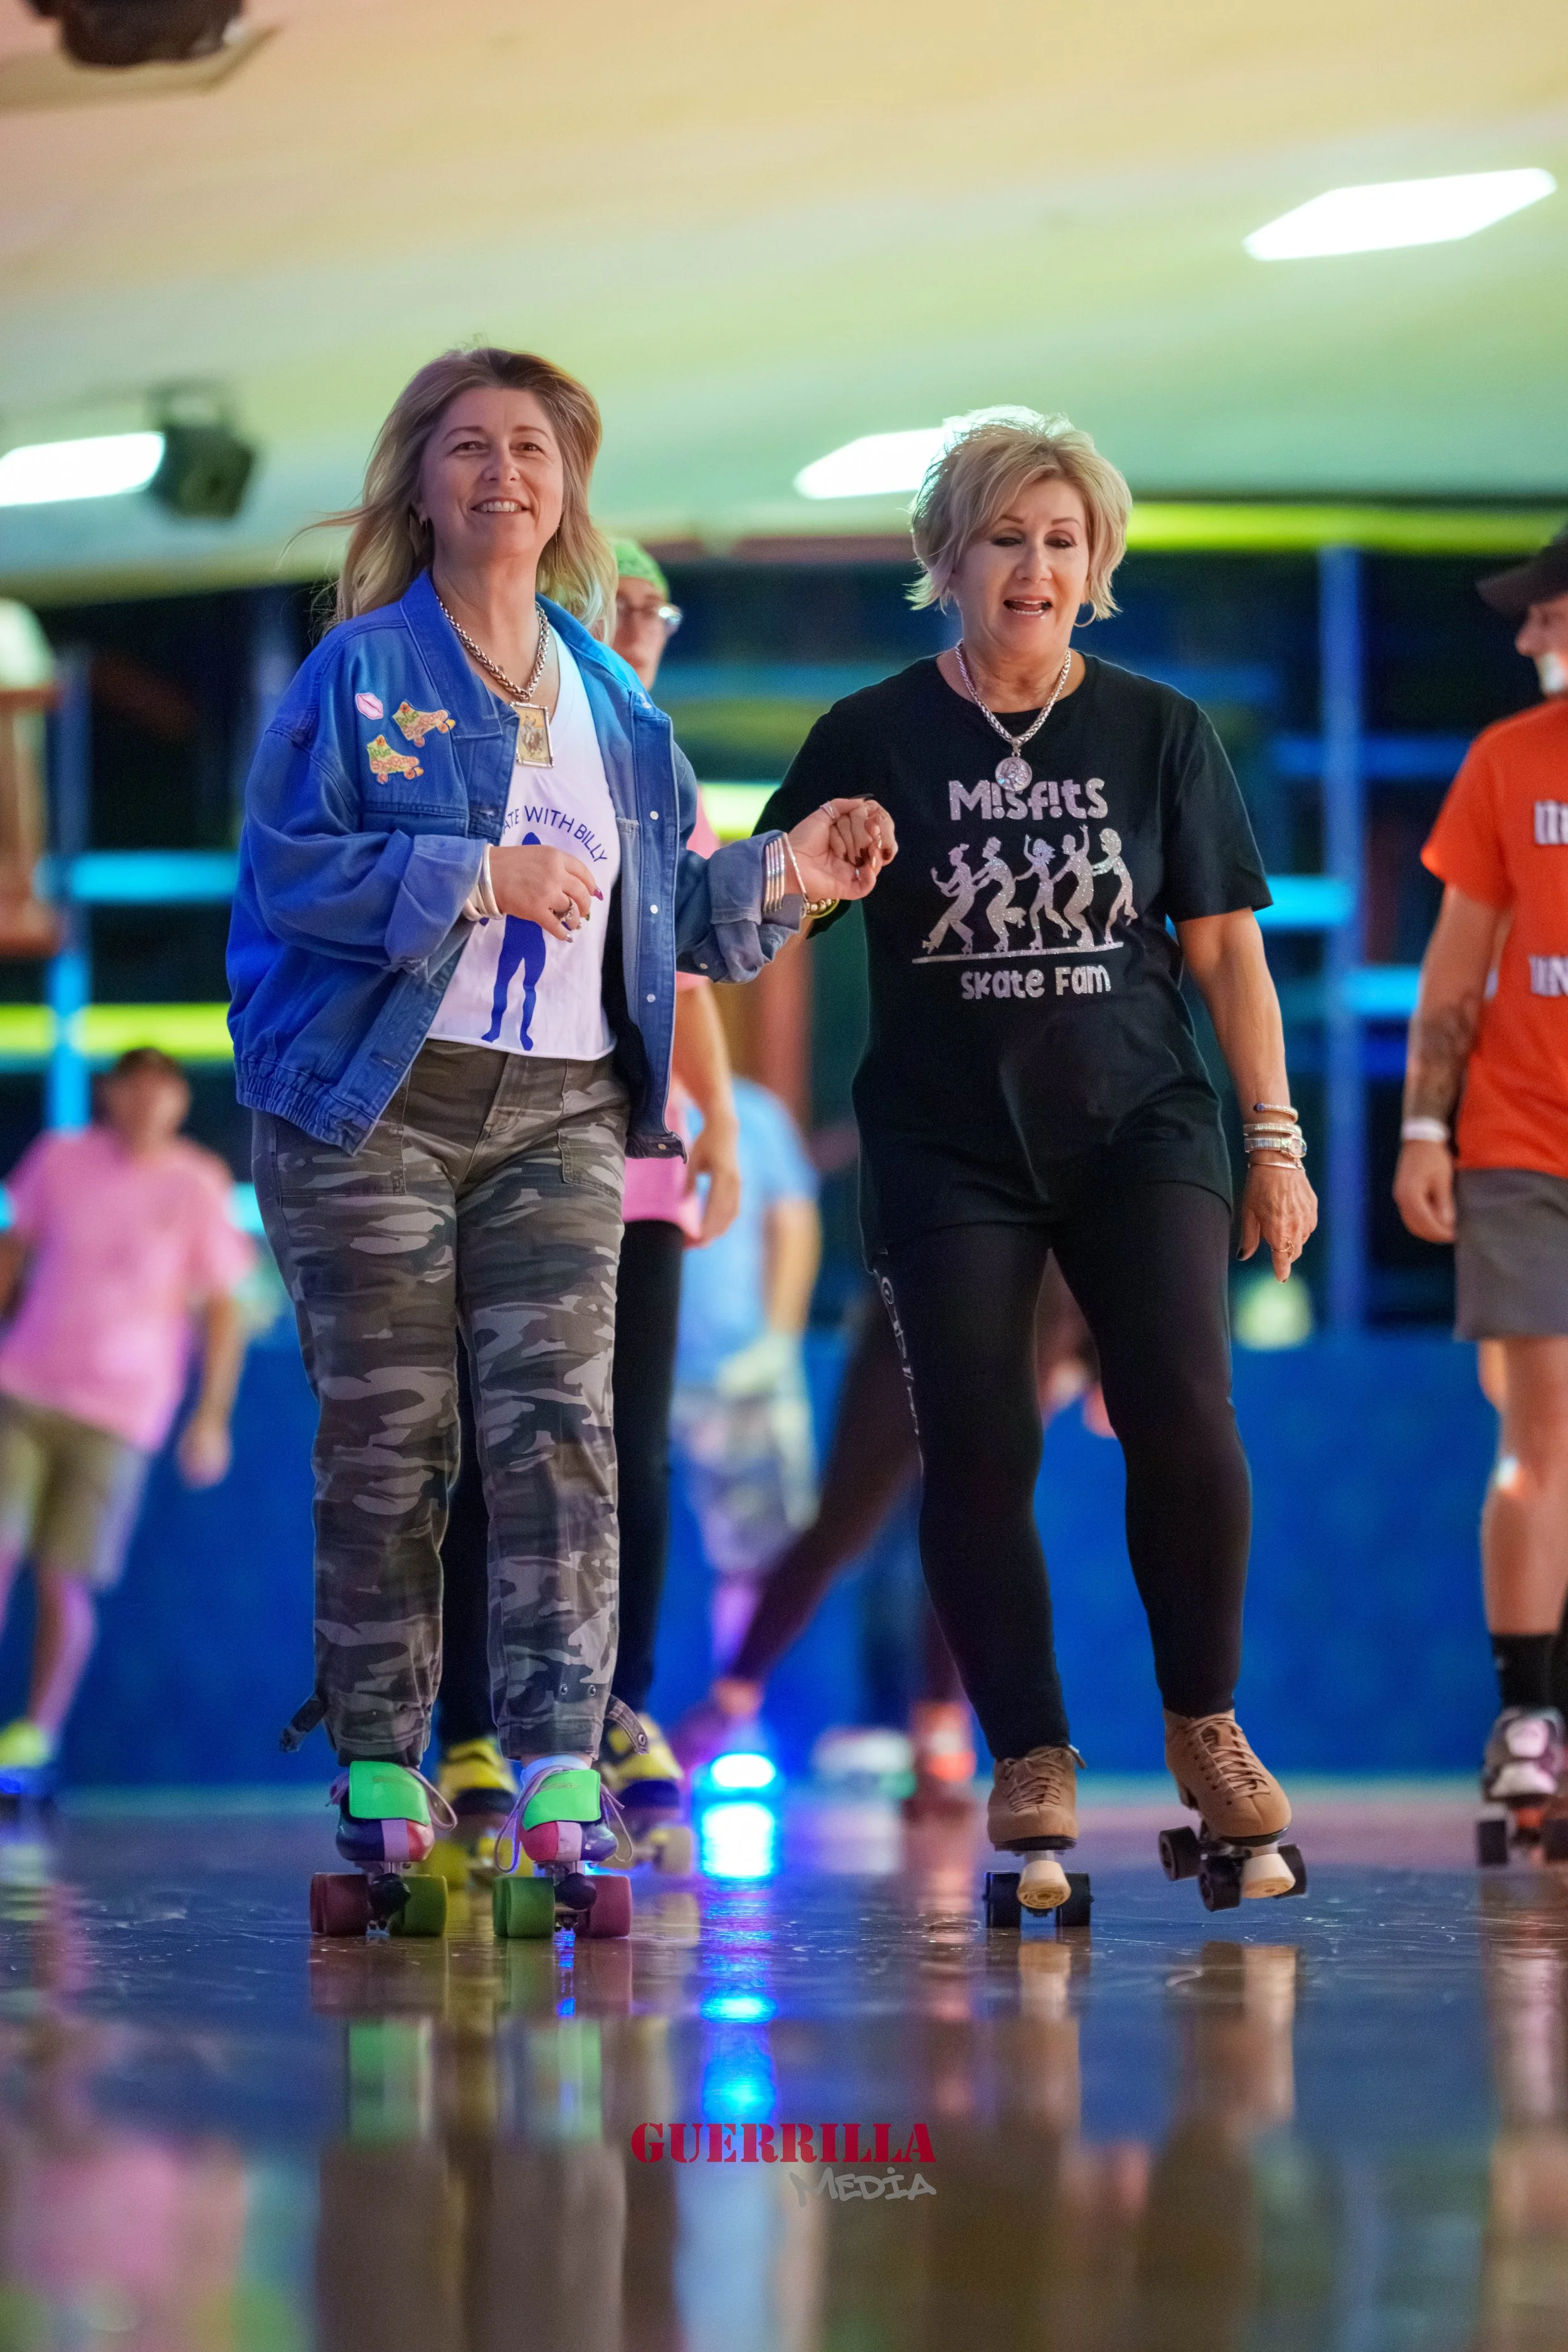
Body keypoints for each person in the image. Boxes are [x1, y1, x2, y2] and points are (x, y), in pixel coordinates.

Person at [227, 346, 893, 1901]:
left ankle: (558, 1760)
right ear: (422, 483)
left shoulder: (617, 705)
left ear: (569, 490)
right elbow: (284, 875)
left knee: (566, 1440)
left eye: (533, 447)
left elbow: (683, 928)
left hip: (564, 1114)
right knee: (397, 1437)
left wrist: (797, 870)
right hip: (373, 1104)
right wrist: (473, 871)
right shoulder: (360, 675)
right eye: (468, 445)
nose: (504, 471)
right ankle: (387, 1751)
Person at [758, 408, 1318, 1907]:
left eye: (1063, 540)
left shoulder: (1157, 729)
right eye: (1006, 535)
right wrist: (808, 870)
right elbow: (760, 917)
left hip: (1141, 1128)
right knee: (979, 1444)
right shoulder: (872, 731)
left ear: (1097, 565)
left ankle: (1205, 1725)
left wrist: (1274, 1136)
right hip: (950, 1147)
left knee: (1184, 1414)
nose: (1036, 564)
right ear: (949, 557)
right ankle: (1028, 1753)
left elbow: (1227, 954)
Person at [433, 539, 744, 1856]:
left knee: (631, 1446)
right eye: (606, 603)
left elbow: (687, 954)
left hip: (631, 1157)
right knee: (485, 1446)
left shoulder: (655, 762)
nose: (633, 624)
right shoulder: (500, 731)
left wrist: (715, 1109)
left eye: (648, 607)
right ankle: (462, 1724)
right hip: (494, 1142)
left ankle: (615, 1704)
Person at [673, 1262, 1109, 1817]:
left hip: (1029, 1319)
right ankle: (731, 1697)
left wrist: (1102, 1359)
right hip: (921, 1299)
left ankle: (937, 1737)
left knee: (973, 1532)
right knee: (845, 1527)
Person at [1392, 522, 1568, 1821]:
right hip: (1519, 1144)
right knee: (1539, 1429)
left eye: (1543, 614)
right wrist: (1421, 1127)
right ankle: (1526, 1719)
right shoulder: (1506, 763)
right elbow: (1455, 970)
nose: (1524, 638)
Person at [0, 1049, 252, 1796]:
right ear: (110, 1093)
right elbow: (13, 1252)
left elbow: (224, 1309)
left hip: (121, 1412)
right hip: (25, 1388)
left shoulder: (199, 1183)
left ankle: (33, 1739)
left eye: (161, 1088)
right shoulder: (61, 1158)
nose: (145, 1101)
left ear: (177, 1101)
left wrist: (211, 1418)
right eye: (131, 1086)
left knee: (65, 1578)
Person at [668, 1076, 822, 1666]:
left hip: (741, 1375)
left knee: (756, 1558)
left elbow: (794, 1223)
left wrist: (778, 1341)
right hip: (628, 1373)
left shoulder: (755, 1113)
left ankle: (741, 1709)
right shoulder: (615, 1090)